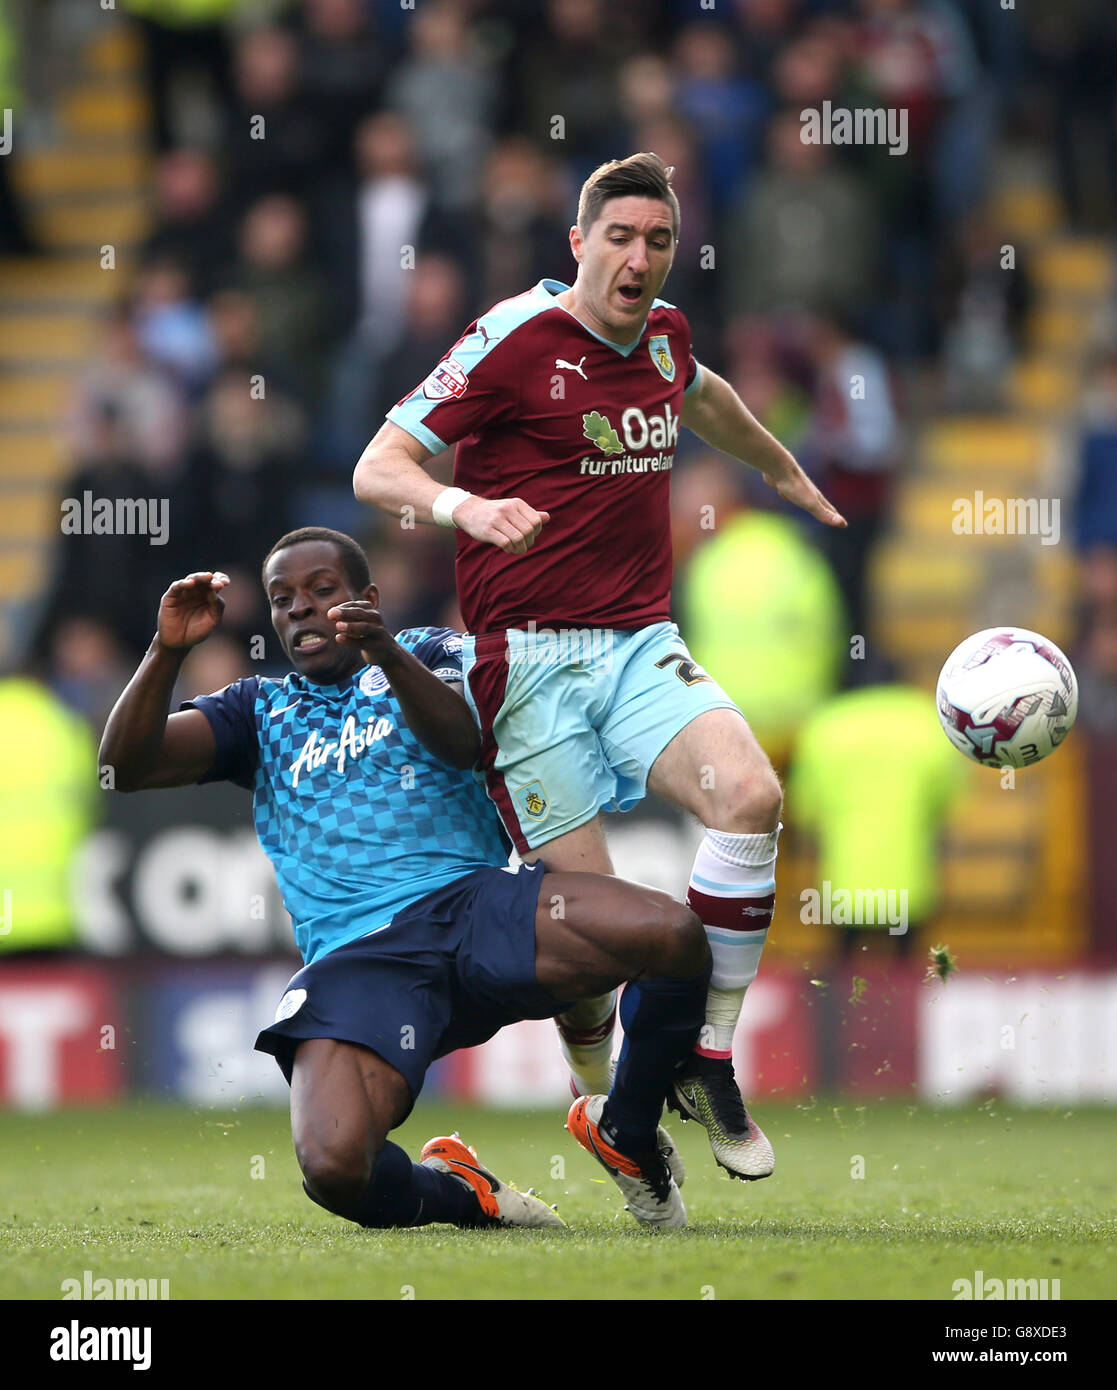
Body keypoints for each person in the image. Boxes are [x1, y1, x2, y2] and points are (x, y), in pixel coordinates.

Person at [352, 152, 847, 1180]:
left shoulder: (663, 335)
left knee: (751, 799)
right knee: (594, 939)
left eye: (657, 241)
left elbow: (698, 393)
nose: (637, 258)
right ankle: (609, 1109)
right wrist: (464, 506)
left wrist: (779, 465)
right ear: (577, 243)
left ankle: (705, 1057)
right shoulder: (510, 338)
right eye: (618, 237)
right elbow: (377, 466)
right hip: (528, 667)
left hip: (635, 644)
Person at [99, 526, 713, 1230]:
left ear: (365, 598)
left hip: (474, 909)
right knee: (333, 1169)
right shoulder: (254, 710)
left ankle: (627, 1131)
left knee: (671, 934)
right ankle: (465, 1195)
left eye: (321, 591)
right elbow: (124, 768)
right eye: (281, 599)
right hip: (360, 962)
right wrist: (167, 649)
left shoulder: (425, 651)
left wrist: (383, 649)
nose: (300, 608)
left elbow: (463, 741)